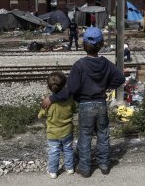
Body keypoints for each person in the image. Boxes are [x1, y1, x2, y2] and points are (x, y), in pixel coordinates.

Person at [42, 27, 125, 178]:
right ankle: (104, 164)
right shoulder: (106, 63)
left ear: (83, 45)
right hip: (101, 104)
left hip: (86, 106)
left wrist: (52, 98)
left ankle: (85, 168)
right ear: (101, 45)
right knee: (103, 134)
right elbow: (120, 79)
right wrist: (106, 87)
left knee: (85, 137)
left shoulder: (79, 65)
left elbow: (70, 90)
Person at [38, 71, 76, 179]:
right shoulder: (69, 99)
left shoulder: (47, 102)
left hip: (53, 133)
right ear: (64, 84)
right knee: (68, 150)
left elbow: (40, 115)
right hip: (67, 131)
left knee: (54, 152)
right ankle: (70, 168)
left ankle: (53, 171)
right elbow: (74, 109)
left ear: (49, 87)